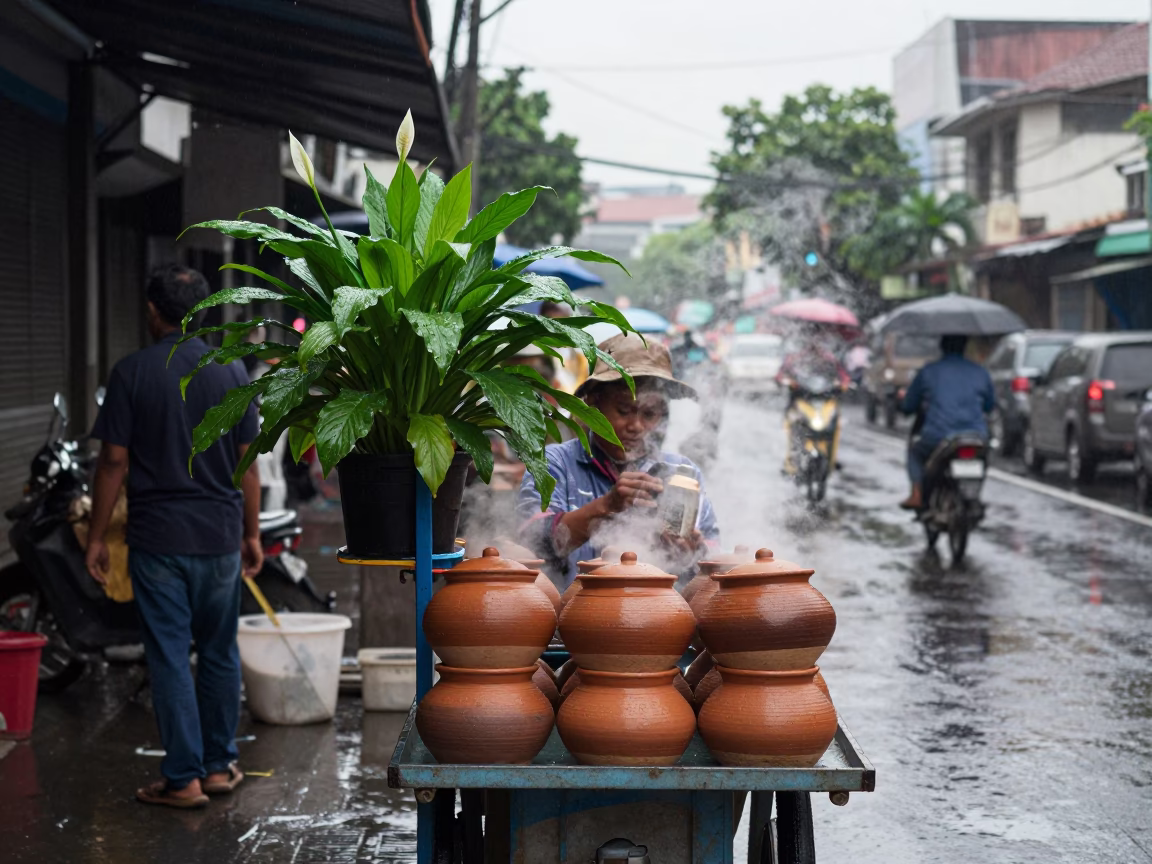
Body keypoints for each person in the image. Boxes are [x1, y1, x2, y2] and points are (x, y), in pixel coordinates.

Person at [85, 265, 262, 809]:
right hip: (219, 537)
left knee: (168, 656)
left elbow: (113, 462)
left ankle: (183, 778)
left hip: (158, 539)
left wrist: (96, 536)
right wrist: (252, 533)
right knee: (218, 652)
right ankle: (218, 767)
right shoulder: (232, 372)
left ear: (152, 311)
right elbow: (248, 464)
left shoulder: (131, 372)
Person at [517, 332, 719, 584]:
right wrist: (607, 506)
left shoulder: (682, 474)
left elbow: (713, 565)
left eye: (650, 414)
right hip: (569, 606)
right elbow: (530, 547)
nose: (636, 426)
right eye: (623, 410)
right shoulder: (554, 463)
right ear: (593, 403)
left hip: (660, 607)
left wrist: (692, 555)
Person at [898, 333, 994, 510]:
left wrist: (905, 405)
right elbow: (990, 405)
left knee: (915, 451)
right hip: (976, 435)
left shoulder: (929, 371)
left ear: (942, 347)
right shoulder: (980, 372)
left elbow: (909, 404)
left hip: (938, 435)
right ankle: (976, 495)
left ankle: (916, 494)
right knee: (984, 457)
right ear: (964, 347)